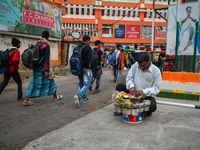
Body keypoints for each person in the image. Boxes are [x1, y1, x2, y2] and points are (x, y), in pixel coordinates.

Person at [115, 52, 162, 117]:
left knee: (152, 107)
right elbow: (129, 77)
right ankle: (125, 105)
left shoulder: (156, 71)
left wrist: (143, 92)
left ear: (148, 61)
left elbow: (156, 88)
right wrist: (131, 86)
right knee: (119, 86)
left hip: (146, 96)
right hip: (133, 93)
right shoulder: (135, 65)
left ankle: (144, 110)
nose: (141, 67)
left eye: (143, 65)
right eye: (140, 66)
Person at [23, 30, 63, 106]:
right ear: (48, 37)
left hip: (36, 67)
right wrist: (46, 70)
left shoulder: (37, 43)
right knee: (51, 82)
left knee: (33, 83)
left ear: (42, 36)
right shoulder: (46, 45)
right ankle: (55, 96)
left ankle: (26, 99)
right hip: (43, 68)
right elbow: (46, 59)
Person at [74, 35, 92, 107]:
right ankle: (78, 96)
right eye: (89, 41)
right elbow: (89, 59)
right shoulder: (88, 48)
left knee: (81, 82)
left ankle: (84, 99)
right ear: (87, 40)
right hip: (85, 68)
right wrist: (83, 63)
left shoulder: (77, 47)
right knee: (87, 83)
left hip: (78, 68)